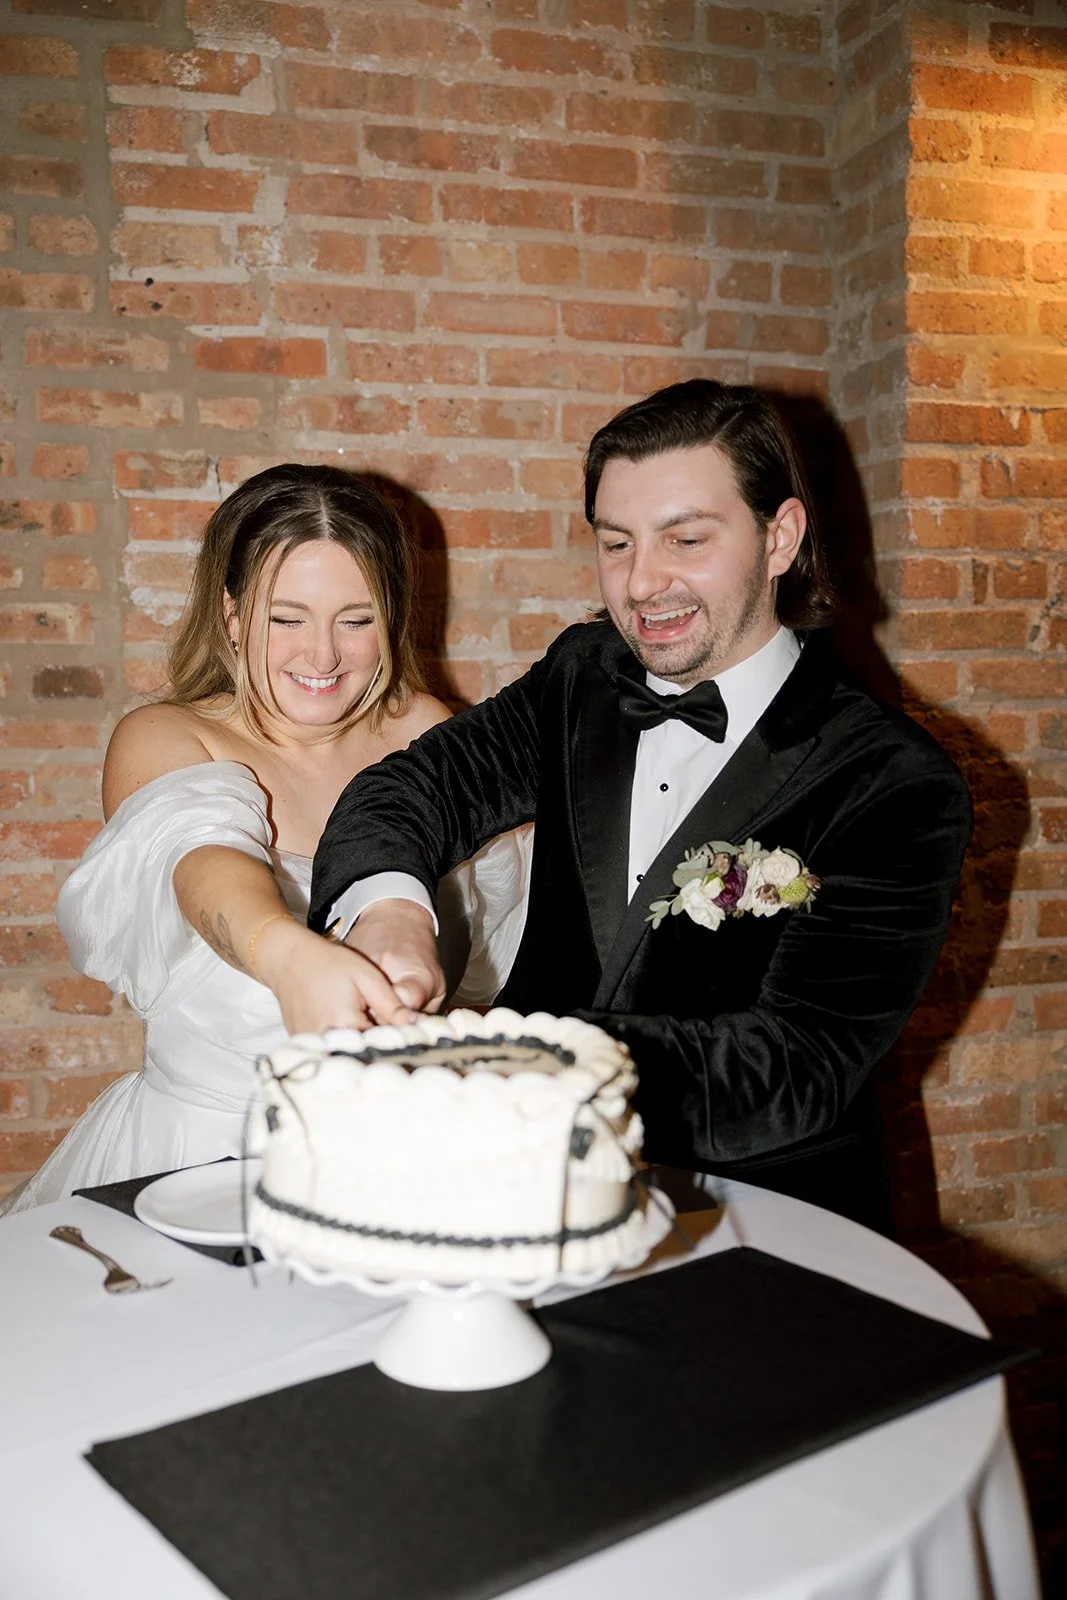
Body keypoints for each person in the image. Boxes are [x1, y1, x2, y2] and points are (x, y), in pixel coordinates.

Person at [308, 380, 972, 1234]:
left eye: (685, 539)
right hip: (522, 1195)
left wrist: (510, 1071)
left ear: (781, 537)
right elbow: (405, 791)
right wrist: (392, 911)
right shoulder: (582, 678)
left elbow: (794, 1067)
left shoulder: (895, 781)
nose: (641, 583)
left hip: (756, 1219)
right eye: (615, 543)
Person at [0, 465, 528, 1213]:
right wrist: (285, 954)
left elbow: (484, 963)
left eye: (356, 619)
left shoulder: (426, 734)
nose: (323, 656)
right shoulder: (166, 736)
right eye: (287, 619)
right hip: (201, 1162)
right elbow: (207, 863)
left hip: (397, 1165)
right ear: (233, 615)